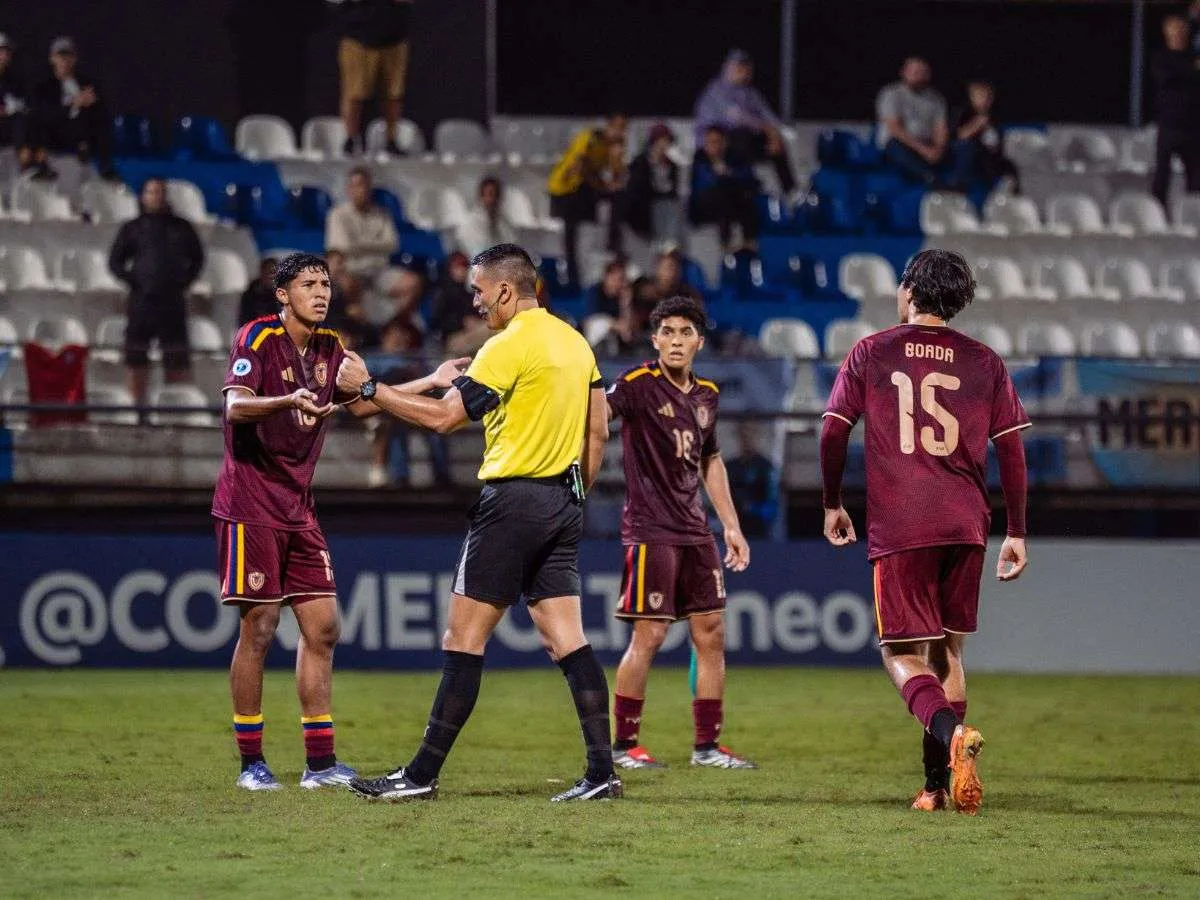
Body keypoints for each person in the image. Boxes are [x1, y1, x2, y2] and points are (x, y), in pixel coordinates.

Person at [338, 243, 620, 802]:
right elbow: (599, 432)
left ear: (506, 291)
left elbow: (444, 419)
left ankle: (420, 776)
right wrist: (578, 494)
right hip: (565, 502)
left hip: (512, 501)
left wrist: (371, 390)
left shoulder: (506, 346)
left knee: (462, 638)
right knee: (567, 639)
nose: (475, 301)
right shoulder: (574, 341)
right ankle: (601, 772)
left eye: (479, 290)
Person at [213, 252, 464, 790]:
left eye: (325, 284)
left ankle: (320, 764)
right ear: (283, 295)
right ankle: (252, 764)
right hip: (249, 504)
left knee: (323, 629)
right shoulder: (256, 339)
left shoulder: (333, 350)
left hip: (298, 508)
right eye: (309, 284)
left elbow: (365, 405)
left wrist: (432, 379)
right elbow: (236, 407)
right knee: (259, 628)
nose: (321, 293)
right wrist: (287, 399)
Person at [819, 248, 1030, 815]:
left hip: (903, 521)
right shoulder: (985, 361)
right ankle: (938, 787)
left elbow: (833, 432)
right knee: (949, 651)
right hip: (967, 522)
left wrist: (832, 502)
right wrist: (1017, 531)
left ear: (909, 292)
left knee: (899, 652)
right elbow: (1011, 450)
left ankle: (952, 737)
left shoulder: (872, 350)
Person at [606, 295, 754, 771]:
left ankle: (707, 747)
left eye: (684, 332)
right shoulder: (634, 385)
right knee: (648, 635)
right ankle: (624, 746)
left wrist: (730, 525)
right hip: (651, 531)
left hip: (696, 531)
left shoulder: (707, 394)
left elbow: (710, 460)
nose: (675, 340)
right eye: (667, 331)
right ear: (654, 340)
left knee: (711, 633)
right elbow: (592, 419)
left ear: (698, 342)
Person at [107, 177, 205, 408]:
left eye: (160, 192)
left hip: (172, 303)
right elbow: (115, 262)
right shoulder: (133, 228)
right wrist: (134, 281)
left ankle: (175, 409)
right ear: (143, 197)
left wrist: (184, 281)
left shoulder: (181, 227)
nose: (156, 196)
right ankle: (136, 409)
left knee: (176, 359)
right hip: (142, 303)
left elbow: (197, 259)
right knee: (136, 358)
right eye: (151, 192)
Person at [693, 49, 796, 197]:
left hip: (740, 144)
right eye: (739, 67)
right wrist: (767, 128)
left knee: (776, 143)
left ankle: (791, 191)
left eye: (746, 67)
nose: (744, 71)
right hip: (712, 147)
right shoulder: (716, 91)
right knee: (740, 135)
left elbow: (768, 116)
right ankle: (746, 188)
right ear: (729, 68)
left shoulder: (749, 92)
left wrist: (774, 133)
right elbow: (737, 118)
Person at [547, 112, 628, 288]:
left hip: (585, 191)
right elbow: (580, 166)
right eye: (617, 127)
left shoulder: (614, 146)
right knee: (571, 233)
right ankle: (571, 275)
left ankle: (610, 249)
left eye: (623, 128)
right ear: (609, 126)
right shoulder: (590, 137)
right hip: (565, 189)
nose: (620, 132)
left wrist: (616, 158)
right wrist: (602, 185)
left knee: (614, 203)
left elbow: (616, 177)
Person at [332, 0, 415, 156]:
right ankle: (350, 139)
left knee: (393, 94)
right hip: (358, 37)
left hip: (395, 38)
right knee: (354, 94)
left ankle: (391, 140)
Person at [30, 37, 116, 179]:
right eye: (60, 56)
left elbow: (100, 115)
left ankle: (104, 165)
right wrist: (74, 104)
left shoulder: (86, 83)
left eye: (68, 56)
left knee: (100, 120)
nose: (64, 61)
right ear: (52, 59)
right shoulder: (44, 88)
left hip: (84, 144)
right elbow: (43, 117)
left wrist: (93, 104)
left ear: (75, 59)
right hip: (57, 142)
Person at [1151, 14, 1200, 208]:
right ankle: (1159, 212)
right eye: (1174, 30)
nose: (1178, 34)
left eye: (1181, 30)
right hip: (1169, 125)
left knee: (1195, 176)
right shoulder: (1161, 57)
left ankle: (1193, 214)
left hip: (1193, 126)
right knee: (1162, 175)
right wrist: (1192, 70)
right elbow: (1167, 78)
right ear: (1167, 33)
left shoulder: (1193, 56)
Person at [324, 166, 400, 290]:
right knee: (346, 285)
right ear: (348, 189)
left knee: (412, 284)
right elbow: (345, 246)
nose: (362, 190)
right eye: (357, 185)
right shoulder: (337, 214)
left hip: (378, 270)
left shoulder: (382, 214)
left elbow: (393, 244)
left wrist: (359, 245)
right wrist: (378, 246)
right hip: (351, 270)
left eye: (365, 185)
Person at [877, 57, 949, 187]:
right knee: (895, 146)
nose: (919, 76)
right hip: (900, 144)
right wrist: (924, 150)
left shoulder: (936, 98)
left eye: (923, 73)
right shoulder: (891, 94)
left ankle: (959, 182)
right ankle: (929, 178)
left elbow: (940, 128)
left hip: (927, 144)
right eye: (915, 72)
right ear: (904, 72)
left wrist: (939, 149)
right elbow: (894, 128)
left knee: (961, 147)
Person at [689, 125, 760, 251]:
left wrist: (729, 173)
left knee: (742, 193)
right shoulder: (700, 157)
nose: (713, 146)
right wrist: (720, 176)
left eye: (717, 142)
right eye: (709, 142)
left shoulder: (735, 156)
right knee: (723, 187)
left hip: (732, 199)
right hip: (705, 201)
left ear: (724, 143)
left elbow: (749, 177)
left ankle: (748, 239)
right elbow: (702, 183)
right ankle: (727, 240)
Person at [950, 80, 1021, 194]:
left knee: (1010, 165)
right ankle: (960, 186)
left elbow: (997, 141)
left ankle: (1012, 193)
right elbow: (959, 137)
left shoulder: (994, 117)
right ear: (971, 97)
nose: (985, 100)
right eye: (980, 96)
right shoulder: (963, 113)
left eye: (988, 97)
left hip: (992, 156)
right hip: (973, 155)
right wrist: (976, 125)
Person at [622, 123, 681, 244]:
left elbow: (673, 192)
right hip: (642, 216)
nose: (665, 145)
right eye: (662, 140)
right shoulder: (641, 162)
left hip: (663, 217)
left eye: (668, 141)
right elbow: (637, 191)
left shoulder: (673, 166)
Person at [723, 422, 779, 540]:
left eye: (751, 433)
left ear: (758, 436)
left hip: (758, 533)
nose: (747, 438)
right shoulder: (730, 466)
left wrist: (751, 508)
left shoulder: (766, 467)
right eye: (744, 434)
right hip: (732, 530)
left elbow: (772, 505)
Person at [0, 34, 38, 177]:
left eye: (7, 51)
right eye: (1, 51)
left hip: (9, 146)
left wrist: (25, 146)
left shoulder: (15, 82)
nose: (4, 55)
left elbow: (25, 113)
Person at [454, 176, 517, 259]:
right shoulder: (471, 221)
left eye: (496, 195)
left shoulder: (504, 221)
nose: (493, 199)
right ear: (481, 196)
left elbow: (512, 244)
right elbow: (469, 248)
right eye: (490, 194)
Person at [238, 258, 280, 326]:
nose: (271, 276)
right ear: (261, 272)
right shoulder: (250, 295)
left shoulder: (283, 295)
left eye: (273, 272)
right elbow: (244, 320)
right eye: (268, 272)